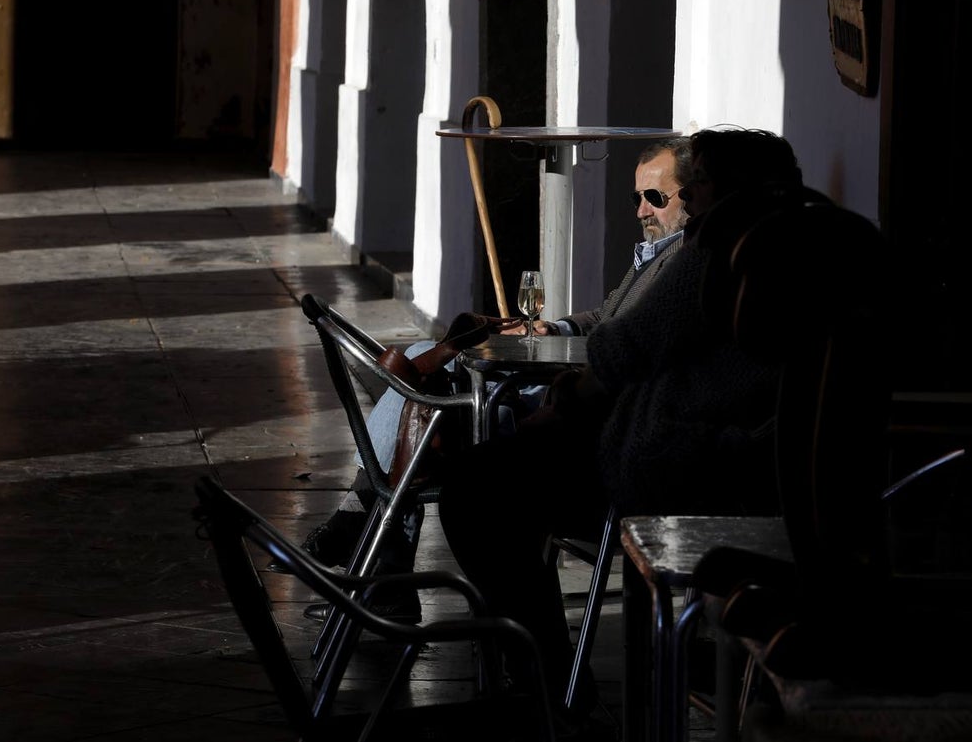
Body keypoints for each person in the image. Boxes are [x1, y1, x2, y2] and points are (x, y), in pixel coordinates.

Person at [437, 127, 804, 718]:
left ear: (724, 188)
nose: (690, 199)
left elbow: (626, 346)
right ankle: (548, 681)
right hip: (758, 470)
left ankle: (549, 687)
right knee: (495, 473)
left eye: (697, 184)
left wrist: (570, 401)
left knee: (477, 487)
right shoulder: (816, 247)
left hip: (681, 472)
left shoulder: (722, 251)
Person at [300, 136, 695, 621]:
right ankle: (381, 554)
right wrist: (561, 327)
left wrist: (570, 361)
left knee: (434, 409)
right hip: (580, 394)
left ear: (694, 197)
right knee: (429, 366)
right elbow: (609, 318)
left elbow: (629, 344)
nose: (640, 211)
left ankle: (367, 523)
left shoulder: (684, 263)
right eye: (636, 197)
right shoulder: (656, 253)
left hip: (587, 419)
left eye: (655, 198)